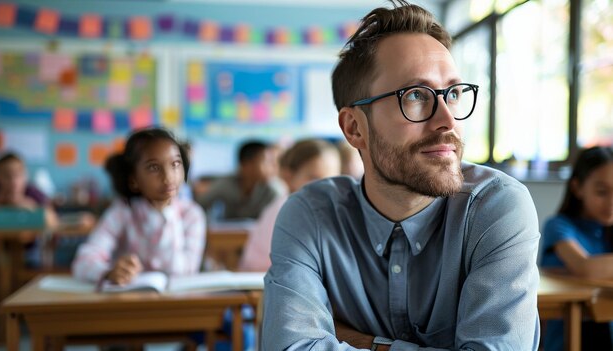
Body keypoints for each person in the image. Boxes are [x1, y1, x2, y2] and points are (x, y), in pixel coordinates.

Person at [261, 1, 541, 350]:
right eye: (416, 96)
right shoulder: (312, 216)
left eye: (453, 94)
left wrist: (369, 343)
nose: (448, 121)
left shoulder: (496, 206)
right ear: (355, 128)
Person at [72, 127, 206, 285]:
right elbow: (83, 262)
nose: (168, 177)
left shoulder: (192, 215)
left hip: (176, 305)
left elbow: (186, 270)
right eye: (154, 167)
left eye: (175, 164)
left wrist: (168, 215)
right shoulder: (122, 212)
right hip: (130, 304)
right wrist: (109, 272)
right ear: (134, 179)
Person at [539, 146, 613, 351]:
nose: (611, 202)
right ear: (577, 187)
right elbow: (586, 267)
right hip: (568, 340)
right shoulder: (558, 225)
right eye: (602, 192)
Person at [239, 138, 342, 272]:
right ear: (288, 177)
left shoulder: (327, 210)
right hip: (260, 284)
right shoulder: (286, 209)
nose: (325, 186)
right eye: (314, 178)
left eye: (333, 178)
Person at [195, 140, 285, 221]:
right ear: (246, 165)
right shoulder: (226, 184)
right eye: (266, 162)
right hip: (229, 236)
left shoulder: (274, 190)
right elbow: (200, 205)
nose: (272, 167)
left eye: (273, 162)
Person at [0, 152, 58, 229]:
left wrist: (31, 208)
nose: (13, 181)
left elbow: (53, 221)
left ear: (25, 176)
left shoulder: (32, 192)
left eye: (18, 175)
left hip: (28, 240)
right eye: (7, 176)